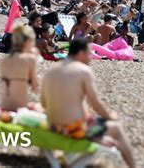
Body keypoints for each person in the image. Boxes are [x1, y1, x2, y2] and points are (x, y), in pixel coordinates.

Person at [41, 39, 136, 167]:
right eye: (88, 53)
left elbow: (43, 102)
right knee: (116, 127)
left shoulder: (51, 70)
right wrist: (110, 117)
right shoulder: (83, 71)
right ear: (80, 53)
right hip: (72, 130)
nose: (90, 57)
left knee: (92, 120)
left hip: (53, 127)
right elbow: (96, 105)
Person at [0, 25, 39, 111]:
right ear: (28, 41)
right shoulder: (29, 59)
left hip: (4, 106)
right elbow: (35, 88)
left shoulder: (4, 60)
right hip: (19, 108)